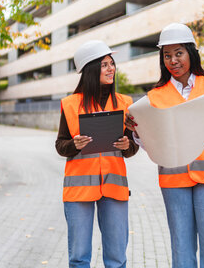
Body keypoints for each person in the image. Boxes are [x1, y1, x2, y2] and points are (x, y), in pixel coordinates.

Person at [126, 23, 204, 268]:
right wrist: (137, 130)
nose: (173, 60)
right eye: (167, 55)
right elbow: (149, 144)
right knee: (182, 252)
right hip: (174, 181)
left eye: (178, 53)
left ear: (191, 53)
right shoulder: (154, 97)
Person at [55, 40, 139, 268]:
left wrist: (126, 146)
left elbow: (132, 147)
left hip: (114, 187)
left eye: (112, 63)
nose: (111, 68)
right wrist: (75, 145)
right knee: (79, 257)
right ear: (91, 69)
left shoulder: (125, 103)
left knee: (116, 258)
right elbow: (60, 145)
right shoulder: (70, 104)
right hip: (79, 190)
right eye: (104, 64)